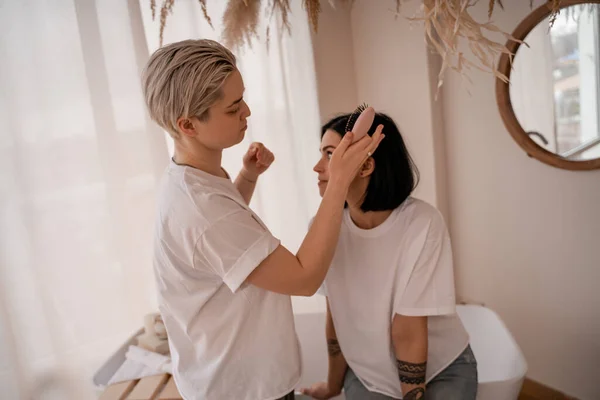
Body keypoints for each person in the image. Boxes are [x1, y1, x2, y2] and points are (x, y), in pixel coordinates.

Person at [141, 39, 383, 400]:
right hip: (242, 390)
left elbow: (218, 247)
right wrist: (339, 182)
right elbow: (303, 277)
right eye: (234, 108)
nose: (248, 112)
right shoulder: (203, 209)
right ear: (188, 124)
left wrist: (247, 179)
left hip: (227, 377)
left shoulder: (191, 177)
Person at [301, 113, 477, 400]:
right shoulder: (323, 227)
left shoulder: (421, 223)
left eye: (330, 155)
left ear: (366, 165)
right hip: (369, 375)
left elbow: (408, 329)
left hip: (442, 368)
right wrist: (333, 384)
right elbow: (337, 313)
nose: (317, 167)